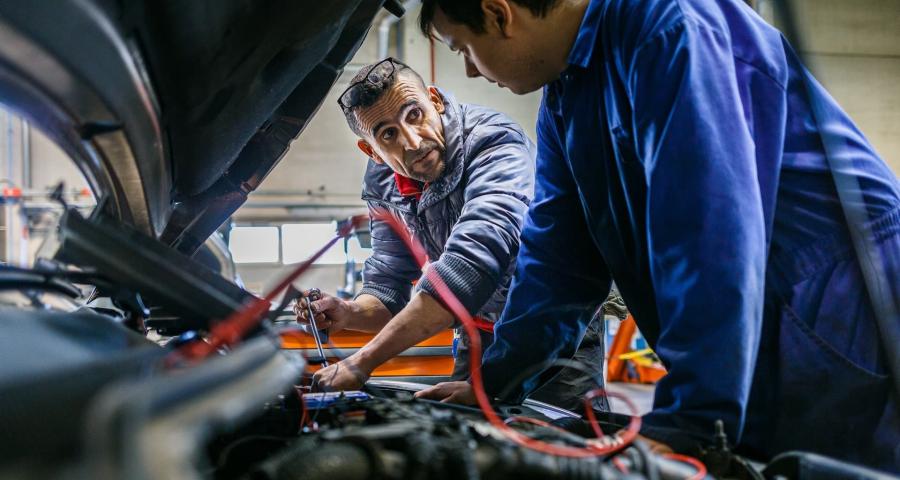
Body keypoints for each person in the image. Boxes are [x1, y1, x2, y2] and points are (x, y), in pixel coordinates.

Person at [414, 0, 900, 471]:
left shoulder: (670, 26)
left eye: (463, 49)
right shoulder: (567, 93)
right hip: (767, 322)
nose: (472, 71)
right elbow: (558, 261)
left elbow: (710, 232)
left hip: (840, 312)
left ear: (499, 13)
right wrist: (495, 381)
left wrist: (689, 419)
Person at [297, 57, 608, 413]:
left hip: (553, 332)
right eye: (388, 134)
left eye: (414, 114)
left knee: (562, 451)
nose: (412, 142)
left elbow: (470, 266)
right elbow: (387, 289)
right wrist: (348, 312)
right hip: (475, 336)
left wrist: (362, 361)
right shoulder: (383, 183)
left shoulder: (495, 143)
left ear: (436, 101)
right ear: (372, 151)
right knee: (471, 443)